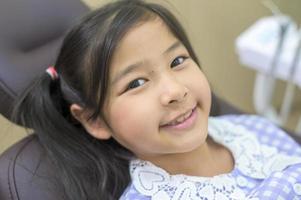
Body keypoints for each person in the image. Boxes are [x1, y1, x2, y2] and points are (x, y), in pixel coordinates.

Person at [13, 0, 301, 199]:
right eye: (136, 83)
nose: (175, 91)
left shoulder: (252, 131)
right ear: (94, 119)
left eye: (177, 60)